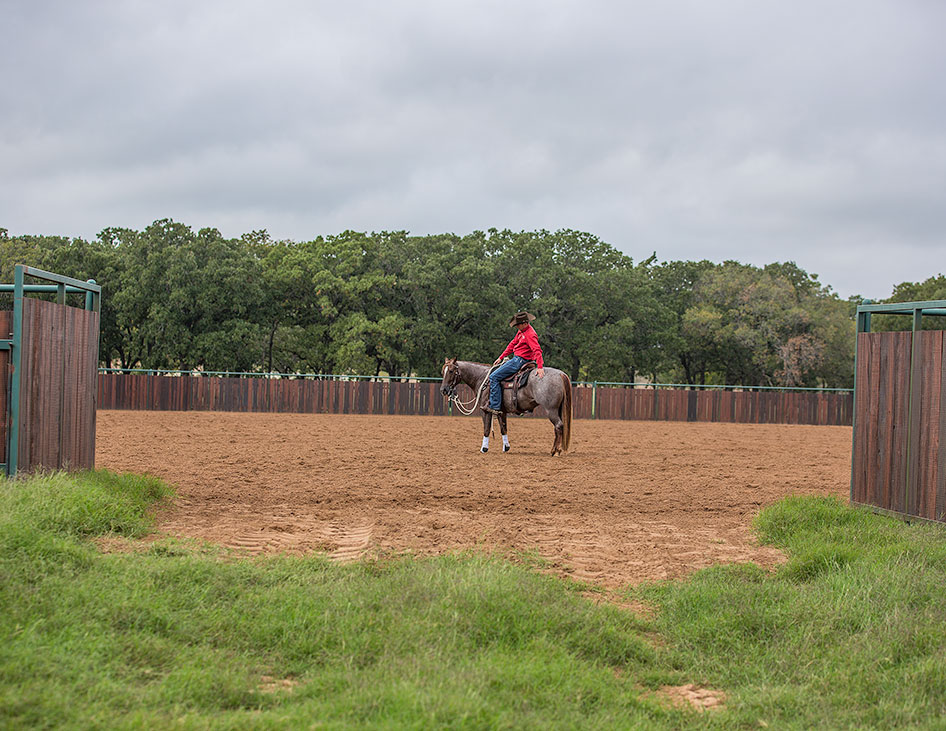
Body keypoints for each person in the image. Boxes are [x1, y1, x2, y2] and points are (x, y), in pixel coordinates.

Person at [483, 311, 545, 415]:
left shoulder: (530, 334)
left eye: (518, 325)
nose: (517, 327)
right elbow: (512, 344)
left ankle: (495, 406)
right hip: (518, 359)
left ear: (525, 323)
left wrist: (540, 367)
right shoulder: (521, 331)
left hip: (519, 361)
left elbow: (537, 350)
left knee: (493, 377)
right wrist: (501, 357)